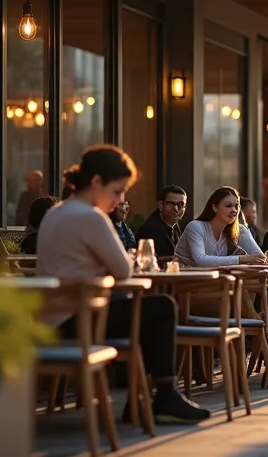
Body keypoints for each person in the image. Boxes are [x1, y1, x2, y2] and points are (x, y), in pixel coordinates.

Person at [36, 144, 210, 424]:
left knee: (144, 314)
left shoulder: (57, 212)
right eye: (117, 191)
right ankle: (164, 395)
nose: (119, 200)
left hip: (52, 319)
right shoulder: (91, 216)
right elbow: (123, 269)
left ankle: (140, 400)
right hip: (79, 319)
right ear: (96, 182)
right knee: (162, 308)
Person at [176, 187, 268, 267]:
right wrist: (241, 259)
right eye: (228, 206)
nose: (234, 210)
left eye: (236, 206)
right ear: (215, 207)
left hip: (216, 280)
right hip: (186, 280)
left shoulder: (239, 230)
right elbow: (200, 260)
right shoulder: (196, 227)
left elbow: (258, 257)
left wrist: (262, 258)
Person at [136, 185, 187, 257]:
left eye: (180, 204)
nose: (176, 209)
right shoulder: (150, 229)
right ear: (160, 205)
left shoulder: (174, 224)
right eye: (171, 204)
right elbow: (147, 259)